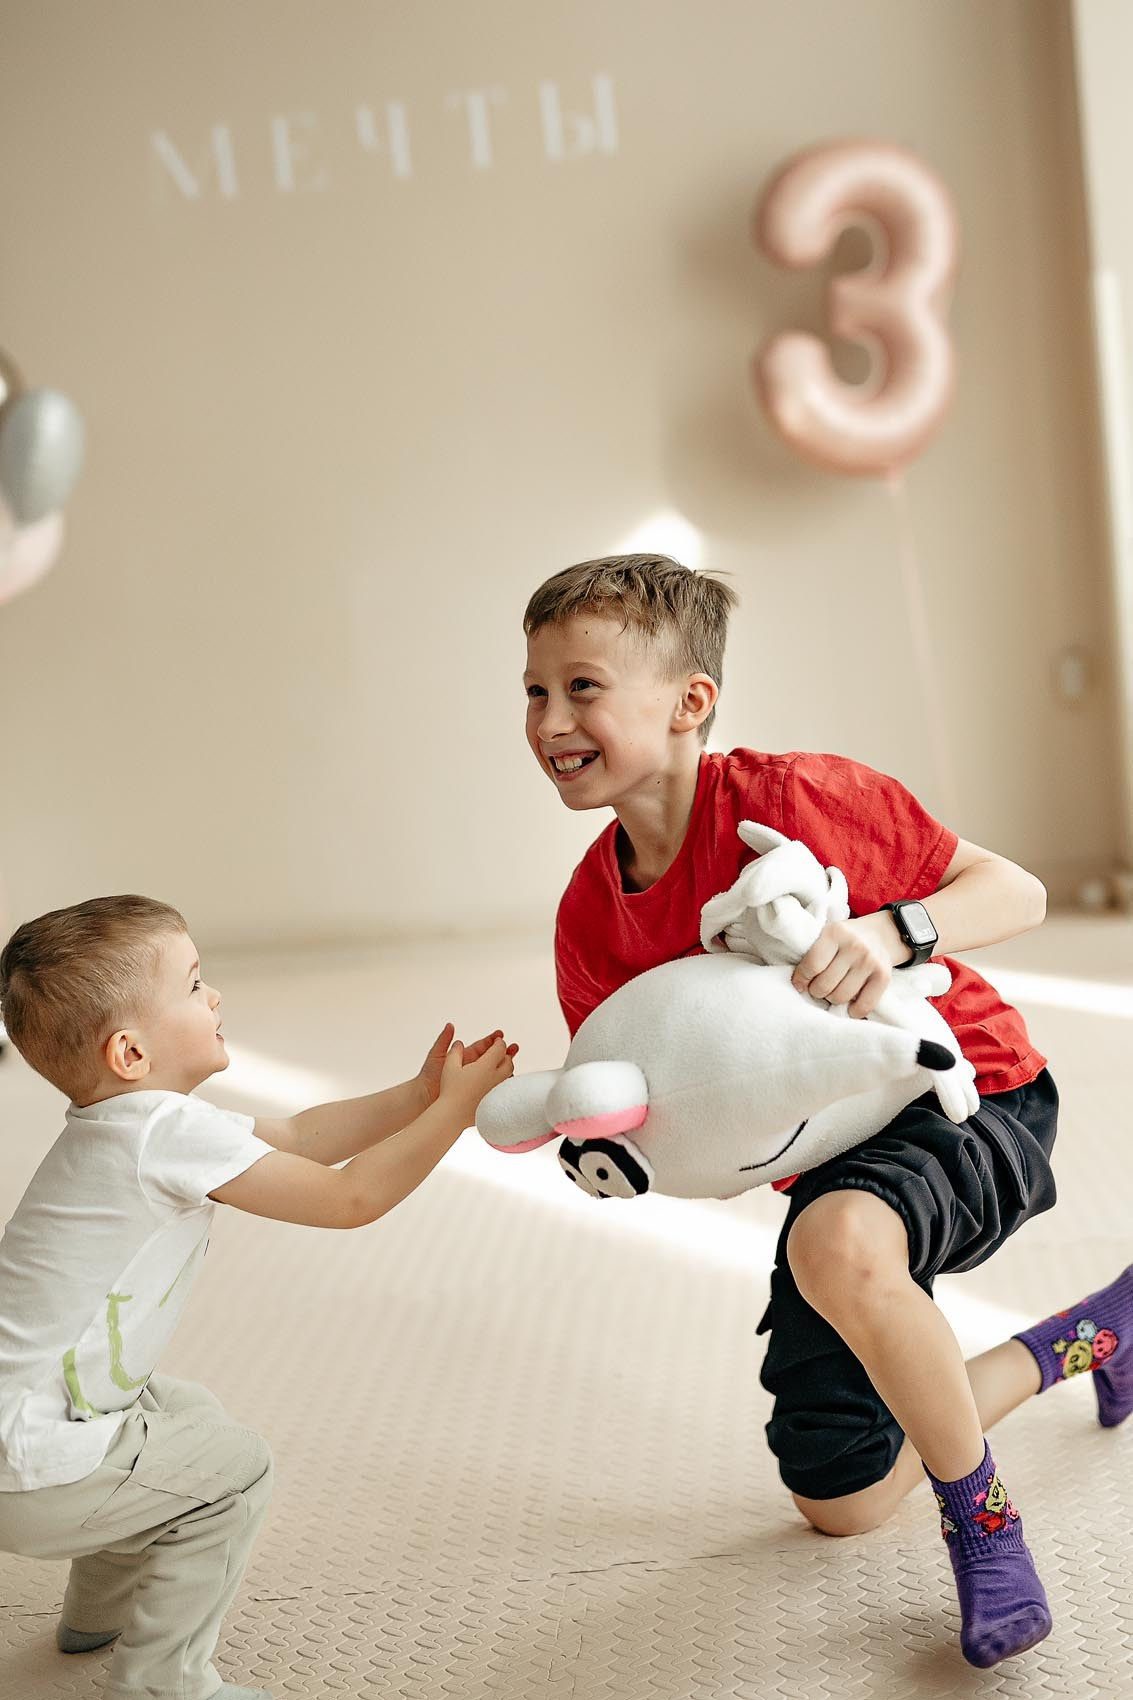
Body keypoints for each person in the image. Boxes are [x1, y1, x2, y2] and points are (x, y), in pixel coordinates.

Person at [522, 552, 1132, 1669]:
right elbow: (648, 1106)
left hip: (968, 1088)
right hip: (830, 1148)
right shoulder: (587, 919)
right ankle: (1093, 1333)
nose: (548, 716)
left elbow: (1018, 889)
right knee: (840, 1497)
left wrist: (892, 932)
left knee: (836, 1242)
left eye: (582, 686)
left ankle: (984, 1523)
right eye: (533, 690)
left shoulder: (794, 798)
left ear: (690, 701)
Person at [0, 894, 514, 1700]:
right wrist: (454, 1114)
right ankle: (165, 1681)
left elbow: (300, 1137)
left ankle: (96, 1614)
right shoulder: (161, 1133)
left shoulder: (134, 1124)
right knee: (233, 1472)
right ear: (131, 1052)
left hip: (26, 1436)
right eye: (194, 984)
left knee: (183, 1417)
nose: (214, 998)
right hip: (30, 1469)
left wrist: (417, 1095)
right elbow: (349, 1200)